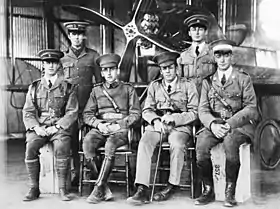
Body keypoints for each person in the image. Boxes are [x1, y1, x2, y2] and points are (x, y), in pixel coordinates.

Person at [127, 51, 199, 205]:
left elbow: (195, 112)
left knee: (177, 144)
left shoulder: (188, 85)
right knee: (144, 142)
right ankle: (142, 188)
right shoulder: (154, 86)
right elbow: (146, 110)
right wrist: (155, 121)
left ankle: (172, 185)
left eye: (170, 67)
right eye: (164, 68)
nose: (167, 71)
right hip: (158, 125)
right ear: (160, 70)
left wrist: (175, 118)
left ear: (176, 68)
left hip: (180, 127)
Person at [195, 39, 259, 207]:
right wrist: (212, 125)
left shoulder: (243, 78)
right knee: (201, 145)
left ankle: (230, 192)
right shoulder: (208, 82)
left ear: (231, 56)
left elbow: (251, 108)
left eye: (226, 55)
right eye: (218, 55)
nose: (222, 59)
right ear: (214, 58)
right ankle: (208, 190)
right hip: (215, 125)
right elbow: (202, 110)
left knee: (230, 143)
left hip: (239, 125)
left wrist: (229, 124)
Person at [82, 53, 141, 204]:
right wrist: (99, 124)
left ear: (117, 71)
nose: (109, 73)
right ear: (101, 73)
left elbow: (136, 114)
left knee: (110, 145)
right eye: (105, 70)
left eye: (112, 69)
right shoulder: (96, 91)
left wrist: (119, 125)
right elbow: (87, 114)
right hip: (101, 127)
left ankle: (98, 187)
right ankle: (104, 187)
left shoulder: (128, 89)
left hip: (120, 130)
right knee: (87, 142)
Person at [22, 49, 78, 201]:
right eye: (47, 63)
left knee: (62, 147)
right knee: (30, 148)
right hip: (40, 126)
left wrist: (57, 127)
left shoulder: (67, 87)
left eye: (54, 62)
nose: (51, 66)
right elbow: (28, 112)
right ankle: (34, 188)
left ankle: (62, 189)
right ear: (43, 65)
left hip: (59, 128)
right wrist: (36, 127)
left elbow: (72, 112)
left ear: (59, 65)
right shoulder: (34, 87)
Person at [61, 21, 102, 185]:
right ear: (69, 36)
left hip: (88, 107)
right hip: (69, 109)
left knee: (92, 140)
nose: (77, 37)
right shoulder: (62, 58)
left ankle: (95, 174)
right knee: (70, 142)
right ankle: (75, 175)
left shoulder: (93, 56)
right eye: (73, 34)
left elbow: (99, 83)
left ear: (83, 36)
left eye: (80, 34)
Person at [177, 14, 216, 95]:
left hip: (209, 98)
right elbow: (180, 82)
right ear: (189, 33)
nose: (197, 33)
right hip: (190, 99)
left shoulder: (213, 53)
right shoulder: (183, 56)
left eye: (200, 29)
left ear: (206, 32)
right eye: (194, 30)